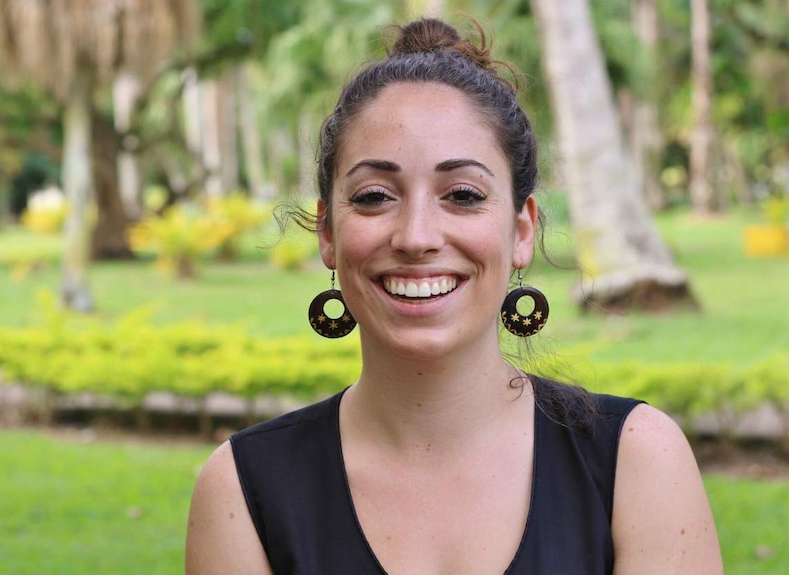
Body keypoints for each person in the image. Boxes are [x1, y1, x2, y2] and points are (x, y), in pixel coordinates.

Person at [186, 17, 723, 575]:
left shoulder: (636, 463)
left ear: (520, 232)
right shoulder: (243, 491)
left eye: (462, 195)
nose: (417, 236)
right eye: (374, 196)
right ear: (328, 234)